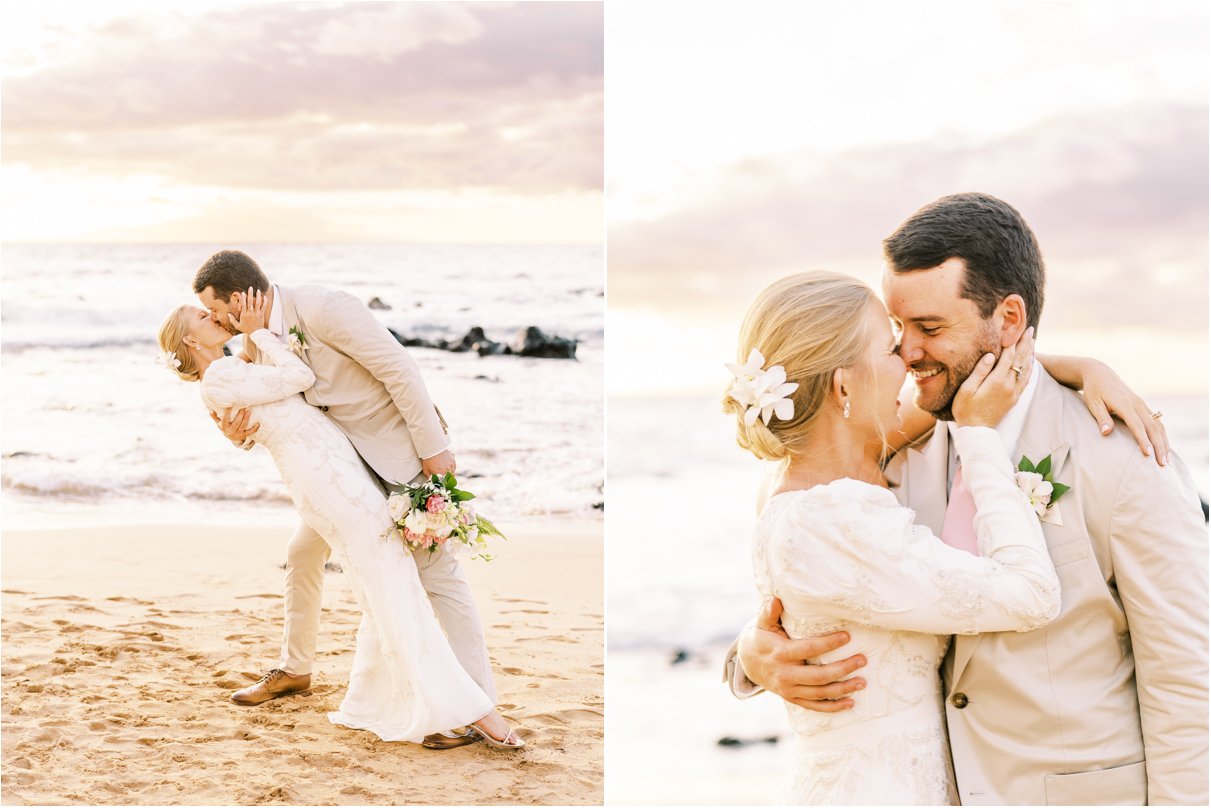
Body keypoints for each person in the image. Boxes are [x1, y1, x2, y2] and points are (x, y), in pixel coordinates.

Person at [729, 193, 1208, 805]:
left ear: (1009, 320)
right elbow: (832, 580)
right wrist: (751, 654)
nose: (906, 352)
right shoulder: (890, 453)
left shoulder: (1124, 461)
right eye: (898, 330)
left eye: (929, 328)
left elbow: (1190, 680)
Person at [726, 269, 1065, 803]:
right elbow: (1031, 595)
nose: (908, 357)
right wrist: (978, 438)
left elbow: (960, 385)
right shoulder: (834, 516)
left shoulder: (816, 478)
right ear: (843, 386)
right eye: (889, 348)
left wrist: (1084, 371)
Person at [157, 292, 523, 749]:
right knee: (391, 579)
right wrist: (257, 335)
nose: (213, 316)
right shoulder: (224, 373)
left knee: (384, 581)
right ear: (190, 338)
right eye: (203, 315)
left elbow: (281, 404)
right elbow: (298, 377)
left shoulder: (246, 358)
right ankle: (469, 709)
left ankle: (374, 701)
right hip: (332, 485)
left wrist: (254, 343)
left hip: (342, 474)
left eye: (213, 308)